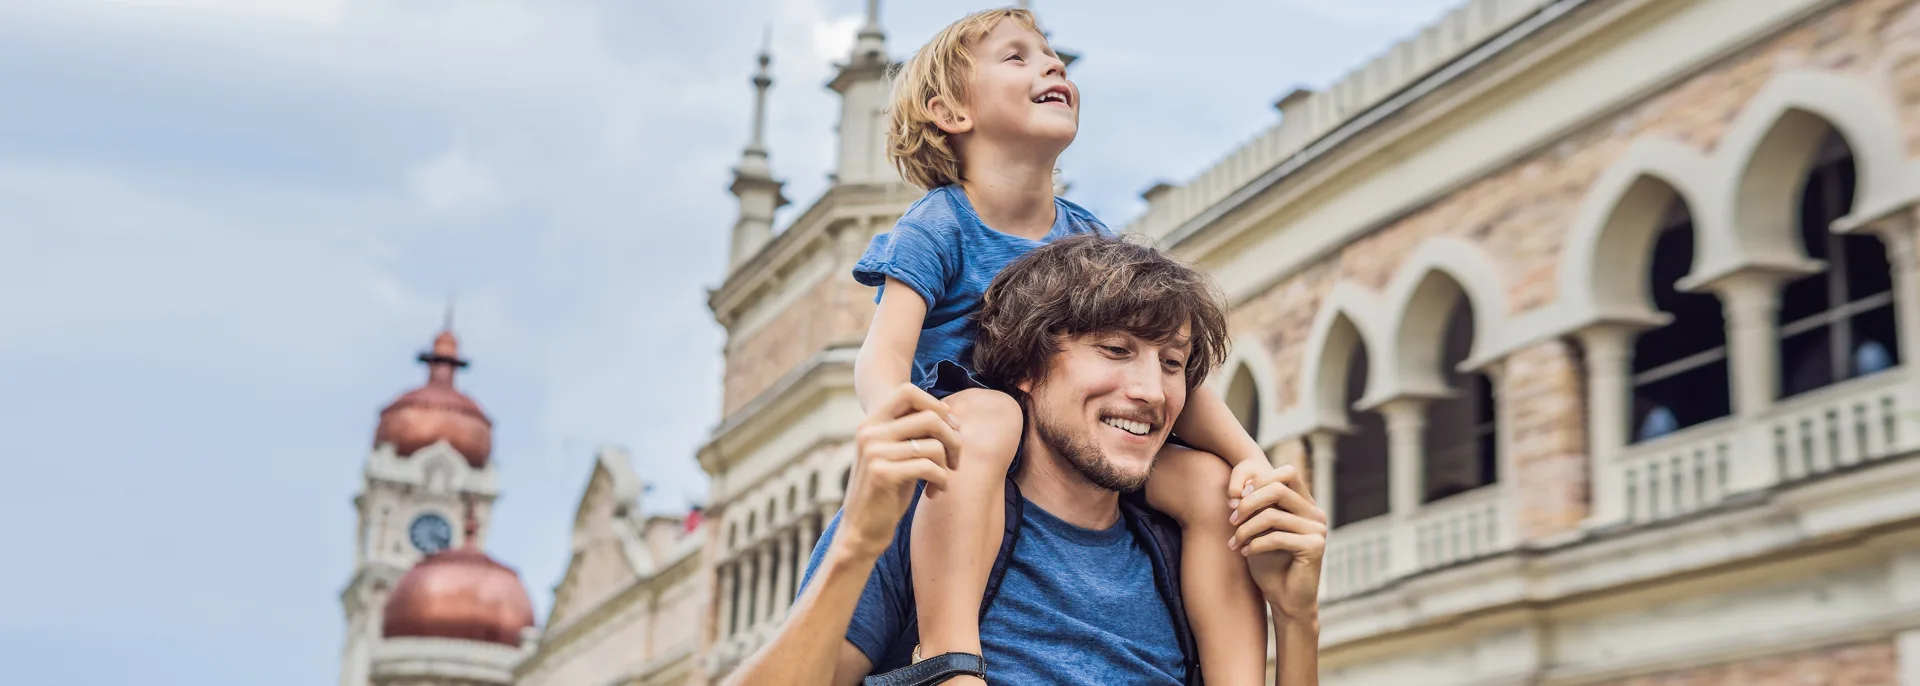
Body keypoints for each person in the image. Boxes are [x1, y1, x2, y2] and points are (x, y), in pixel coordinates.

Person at [845, 8, 1276, 683]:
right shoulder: (938, 225)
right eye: (1017, 57)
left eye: (1052, 57)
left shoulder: (1092, 243)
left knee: (1206, 482)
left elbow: (1173, 378)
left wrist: (1249, 460)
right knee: (992, 416)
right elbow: (883, 350)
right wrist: (893, 420)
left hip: (1066, 437)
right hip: (964, 443)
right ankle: (950, 657)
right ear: (950, 111)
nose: (1052, 66)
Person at [726, 234, 1327, 685]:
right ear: (1027, 370)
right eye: (1116, 351)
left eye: (1172, 363)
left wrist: (1297, 620)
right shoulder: (925, 510)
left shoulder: (1184, 550)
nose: (1152, 390)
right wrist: (857, 542)